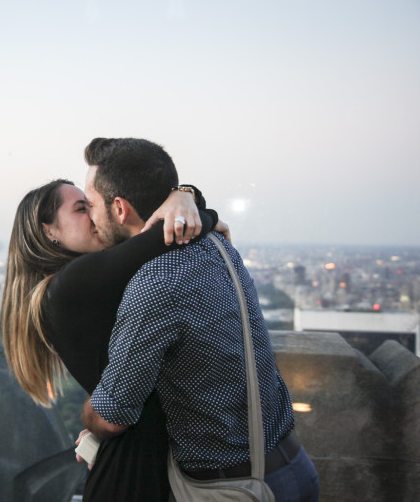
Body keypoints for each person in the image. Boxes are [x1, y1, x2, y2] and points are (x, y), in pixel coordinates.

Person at [79, 138, 320, 501]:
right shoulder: (217, 242)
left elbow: (113, 414)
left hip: (233, 488)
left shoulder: (156, 283)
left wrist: (87, 417)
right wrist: (184, 194)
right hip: (294, 466)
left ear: (119, 208)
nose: (90, 218)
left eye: (91, 205)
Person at [1, 177, 227, 501]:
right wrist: (192, 204)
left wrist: (187, 199)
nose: (95, 215)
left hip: (129, 464)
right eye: (82, 209)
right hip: (133, 477)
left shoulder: (67, 289)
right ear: (48, 231)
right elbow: (171, 236)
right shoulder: (73, 284)